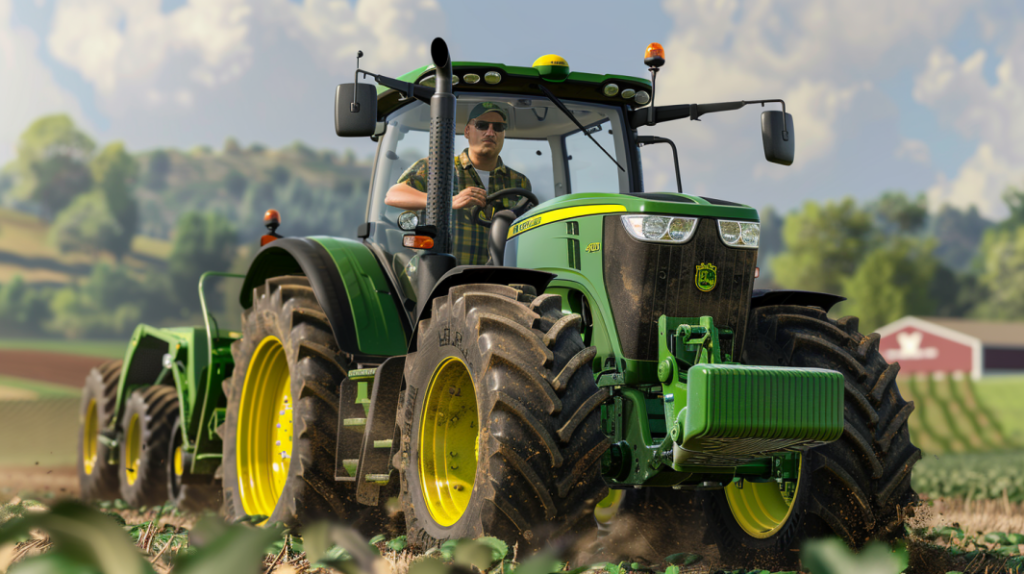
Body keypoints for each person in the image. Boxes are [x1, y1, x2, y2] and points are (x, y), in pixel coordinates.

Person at [385, 102, 532, 265]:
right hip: (441, 275)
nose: (490, 132)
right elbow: (394, 195)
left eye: (498, 127)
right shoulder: (437, 167)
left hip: (496, 279)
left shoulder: (519, 182)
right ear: (468, 131)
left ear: (503, 134)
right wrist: (448, 201)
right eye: (482, 125)